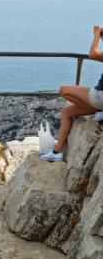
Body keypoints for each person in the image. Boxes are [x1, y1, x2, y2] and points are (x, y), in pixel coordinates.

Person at [41, 25, 103, 162]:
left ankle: (98, 108)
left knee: (64, 89)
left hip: (101, 97)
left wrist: (97, 35)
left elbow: (93, 54)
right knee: (67, 112)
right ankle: (57, 152)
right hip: (99, 99)